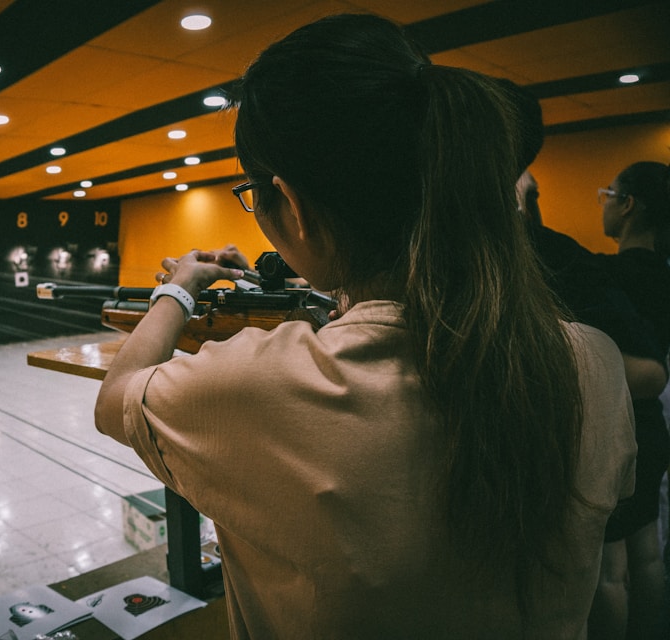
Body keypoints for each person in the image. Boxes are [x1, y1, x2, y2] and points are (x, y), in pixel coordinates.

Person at [93, 14, 636, 638]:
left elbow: (116, 398)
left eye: (251, 192)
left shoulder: (260, 385)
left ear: (291, 205)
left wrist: (177, 289)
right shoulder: (596, 363)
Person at [592, 161, 670, 640]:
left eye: (608, 193)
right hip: (656, 422)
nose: (604, 203)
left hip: (621, 423)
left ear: (628, 205)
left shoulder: (607, 276)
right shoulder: (663, 273)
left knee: (609, 568)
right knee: (649, 554)